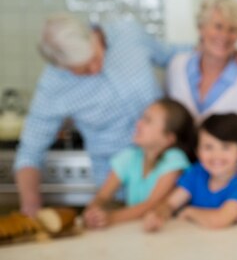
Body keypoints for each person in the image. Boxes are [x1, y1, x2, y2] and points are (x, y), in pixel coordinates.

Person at [14, 14, 187, 217]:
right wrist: (31, 205)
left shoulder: (127, 34)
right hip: (115, 192)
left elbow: (171, 54)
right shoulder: (54, 84)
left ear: (93, 35)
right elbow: (30, 152)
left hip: (168, 183)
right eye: (83, 70)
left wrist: (227, 54)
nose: (95, 69)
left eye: (96, 57)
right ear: (60, 66)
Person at [83, 98, 194, 229]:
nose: (138, 124)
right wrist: (92, 212)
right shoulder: (129, 157)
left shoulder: (174, 160)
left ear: (168, 139)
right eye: (142, 118)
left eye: (148, 121)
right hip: (136, 230)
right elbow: (102, 196)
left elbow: (152, 204)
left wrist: (111, 218)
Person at [167, 0, 237, 152]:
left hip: (225, 171)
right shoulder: (177, 66)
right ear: (201, 28)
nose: (224, 36)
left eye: (233, 30)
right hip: (181, 166)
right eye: (218, 26)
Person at [143, 113, 237, 231]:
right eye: (208, 147)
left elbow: (220, 220)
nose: (216, 155)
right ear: (198, 152)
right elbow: (170, 204)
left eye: (225, 147)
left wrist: (189, 212)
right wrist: (158, 216)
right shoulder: (197, 173)